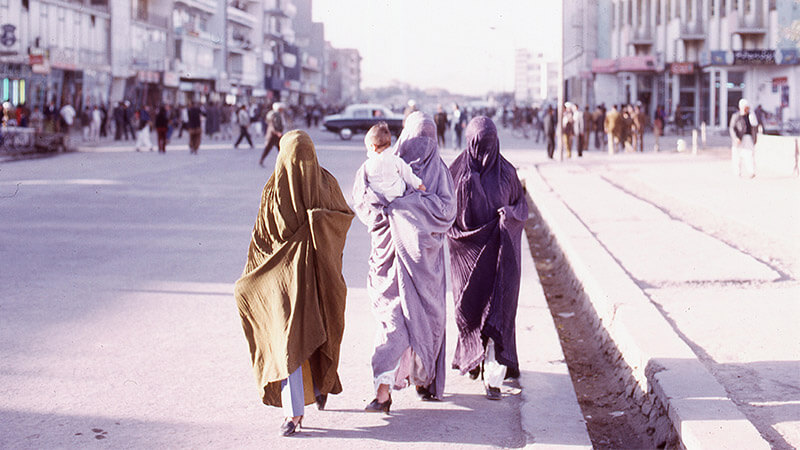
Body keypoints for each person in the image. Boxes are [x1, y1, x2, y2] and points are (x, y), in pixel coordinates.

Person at [234, 130, 354, 437]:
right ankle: (294, 411)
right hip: (288, 283)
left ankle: (321, 385)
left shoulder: (277, 188)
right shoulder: (318, 183)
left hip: (316, 278)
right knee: (292, 342)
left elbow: (262, 239)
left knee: (316, 336)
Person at [352, 111, 456, 411]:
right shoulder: (382, 167)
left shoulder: (439, 173)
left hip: (423, 265)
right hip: (391, 261)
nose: (420, 147)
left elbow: (447, 211)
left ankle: (423, 380)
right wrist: (395, 213)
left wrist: (403, 206)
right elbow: (363, 202)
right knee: (395, 322)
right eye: (416, 140)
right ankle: (383, 391)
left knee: (420, 324)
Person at [446, 116, 528, 400]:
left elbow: (521, 206)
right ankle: (473, 359)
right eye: (479, 146)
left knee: (496, 314)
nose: (485, 153)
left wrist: (509, 217)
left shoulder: (507, 173)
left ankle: (493, 375)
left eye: (489, 146)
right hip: (466, 262)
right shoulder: (455, 173)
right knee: (468, 311)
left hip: (499, 261)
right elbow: (447, 218)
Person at [360, 122, 426, 203]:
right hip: (394, 195)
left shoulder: (368, 164)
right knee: (402, 180)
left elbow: (363, 181)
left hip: (376, 196)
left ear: (372, 147)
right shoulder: (395, 160)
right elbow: (408, 175)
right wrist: (419, 185)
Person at [729, 98, 758, 178]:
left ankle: (751, 171)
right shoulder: (736, 116)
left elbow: (755, 127)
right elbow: (732, 128)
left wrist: (754, 139)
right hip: (738, 138)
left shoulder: (751, 116)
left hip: (748, 138)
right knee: (736, 156)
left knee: (749, 155)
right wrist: (735, 138)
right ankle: (737, 173)